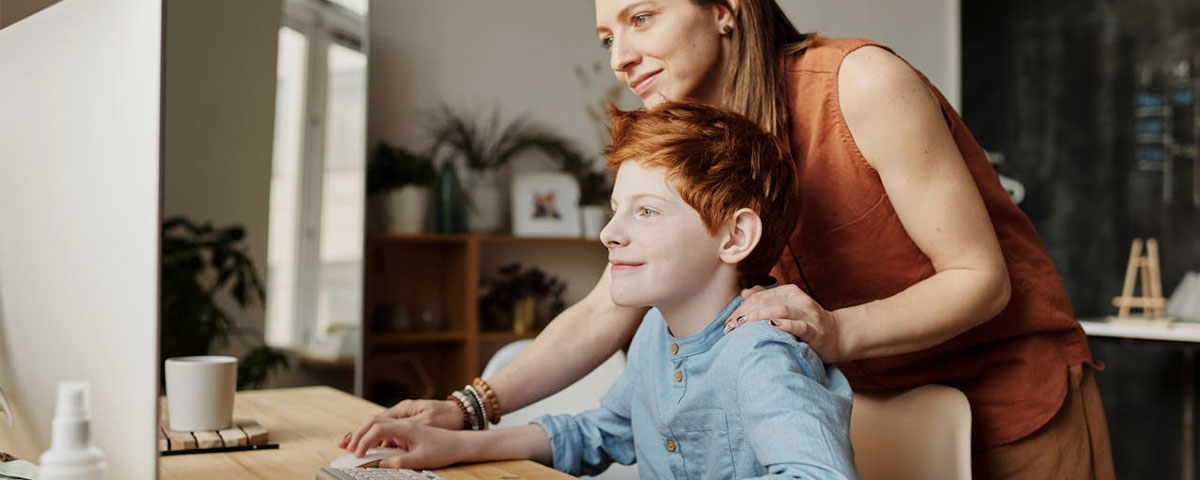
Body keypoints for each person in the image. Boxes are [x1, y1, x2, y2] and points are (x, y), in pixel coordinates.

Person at [347, 1, 1114, 478]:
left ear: (726, 7)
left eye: (642, 18)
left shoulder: (861, 83)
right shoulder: (702, 143)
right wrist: (468, 408)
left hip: (1012, 405)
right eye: (607, 33)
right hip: (865, 406)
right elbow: (605, 306)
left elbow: (982, 279)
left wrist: (835, 329)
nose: (619, 56)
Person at [343, 102, 859, 478]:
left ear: (735, 237)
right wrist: (453, 445)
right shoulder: (657, 332)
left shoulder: (762, 353)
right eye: (616, 209)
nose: (609, 232)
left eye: (646, 212)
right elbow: (604, 432)